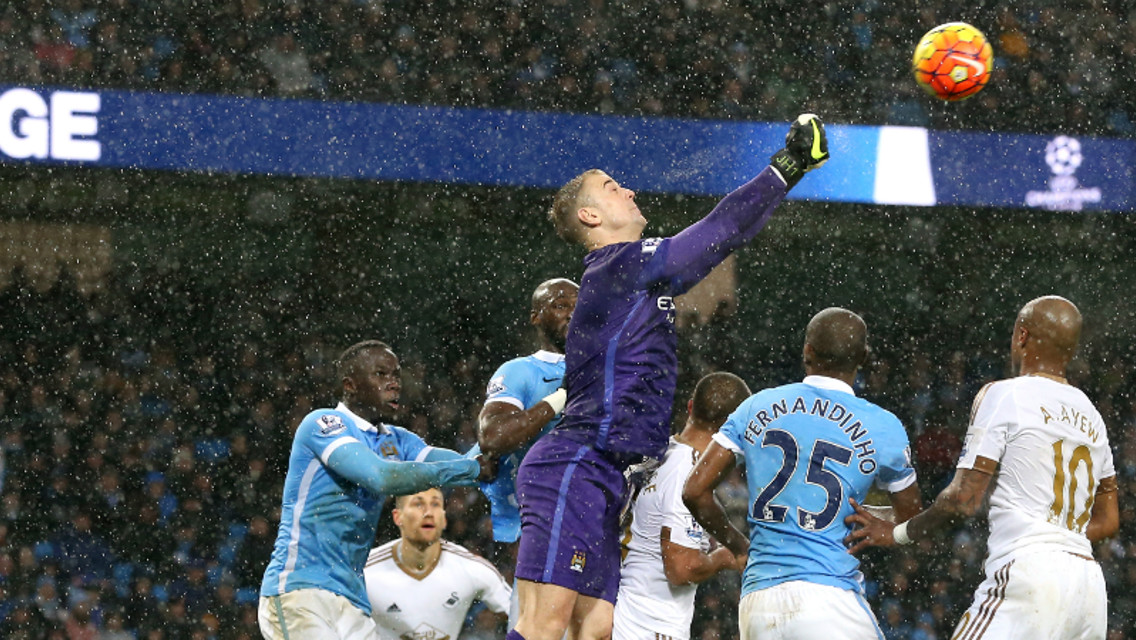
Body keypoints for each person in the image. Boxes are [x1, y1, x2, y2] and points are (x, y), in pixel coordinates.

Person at [513, 114, 831, 640]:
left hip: (608, 475)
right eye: (612, 188)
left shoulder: (632, 276)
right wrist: (786, 166)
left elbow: (728, 236)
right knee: (544, 624)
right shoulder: (616, 265)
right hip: (575, 464)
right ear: (591, 216)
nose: (629, 190)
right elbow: (720, 229)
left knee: (596, 629)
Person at [846, 296, 1120, 640]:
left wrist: (899, 532)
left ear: (1022, 335)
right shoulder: (1092, 415)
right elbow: (1109, 520)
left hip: (1031, 572)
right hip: (1088, 589)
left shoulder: (1005, 394)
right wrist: (1060, 536)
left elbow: (963, 500)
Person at [683, 307, 922, 640]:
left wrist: (739, 545)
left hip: (758, 602)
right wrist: (875, 519)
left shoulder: (756, 406)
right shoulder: (884, 427)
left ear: (807, 351)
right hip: (828, 595)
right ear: (864, 357)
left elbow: (694, 490)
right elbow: (911, 519)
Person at [258, 340, 484, 640]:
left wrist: (503, 437)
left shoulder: (398, 439)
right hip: (301, 591)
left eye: (396, 374)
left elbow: (468, 465)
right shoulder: (324, 424)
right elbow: (382, 477)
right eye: (381, 374)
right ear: (350, 385)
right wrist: (473, 469)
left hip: (353, 601)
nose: (394, 383)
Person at [613, 372, 751, 640]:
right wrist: (724, 557)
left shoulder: (661, 454)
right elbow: (681, 568)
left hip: (627, 610)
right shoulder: (687, 474)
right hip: (650, 623)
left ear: (690, 407)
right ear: (735, 429)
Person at [475, 278, 579, 545]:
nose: (572, 314)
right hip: (529, 527)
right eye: (560, 306)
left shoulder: (608, 369)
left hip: (592, 522)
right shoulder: (519, 371)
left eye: (579, 306)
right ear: (536, 317)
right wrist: (561, 397)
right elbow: (493, 437)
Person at [364, 487, 511, 640]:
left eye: (435, 504)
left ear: (444, 519)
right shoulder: (365, 571)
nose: (428, 512)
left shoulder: (471, 568)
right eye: (418, 504)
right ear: (397, 517)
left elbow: (522, 616)